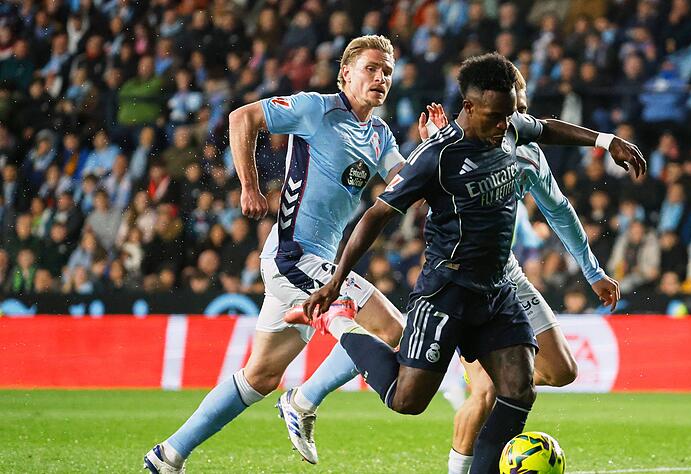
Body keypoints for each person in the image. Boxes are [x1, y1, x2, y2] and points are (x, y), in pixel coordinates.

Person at [295, 53, 645, 473]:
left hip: (497, 290)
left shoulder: (510, 127)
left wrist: (606, 141)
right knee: (408, 401)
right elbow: (377, 215)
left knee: (518, 390)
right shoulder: (437, 156)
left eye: (510, 116)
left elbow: (547, 128)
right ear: (471, 106)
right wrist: (336, 282)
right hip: (447, 291)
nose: (506, 125)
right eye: (497, 117)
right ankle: (339, 323)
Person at [144, 35, 408, 472]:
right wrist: (248, 184)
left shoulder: (379, 135)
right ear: (345, 73)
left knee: (260, 375)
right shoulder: (315, 108)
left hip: (312, 262)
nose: (380, 78)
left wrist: (437, 149)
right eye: (371, 68)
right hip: (294, 257)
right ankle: (303, 400)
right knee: (392, 329)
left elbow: (406, 182)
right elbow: (242, 117)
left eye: (387, 72)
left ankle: (168, 454)